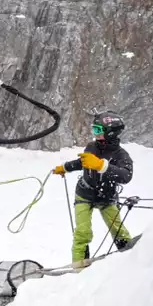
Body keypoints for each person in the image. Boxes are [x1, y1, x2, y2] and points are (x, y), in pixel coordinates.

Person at [52, 111, 133, 267]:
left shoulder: (121, 155)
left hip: (107, 198)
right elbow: (81, 162)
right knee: (82, 233)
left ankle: (131, 257)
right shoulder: (91, 147)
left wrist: (102, 165)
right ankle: (79, 267)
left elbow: (126, 175)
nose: (94, 134)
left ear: (110, 133)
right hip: (84, 193)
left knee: (118, 230)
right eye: (93, 129)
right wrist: (64, 168)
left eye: (98, 130)